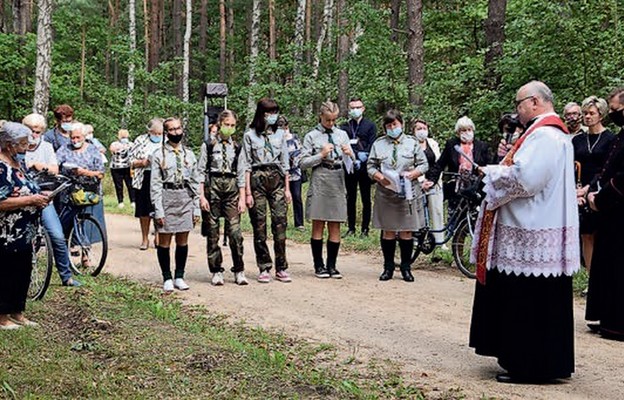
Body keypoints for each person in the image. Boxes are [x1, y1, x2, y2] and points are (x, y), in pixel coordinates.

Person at [469, 81, 580, 383]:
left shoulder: (545, 135)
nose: (517, 110)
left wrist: (490, 173)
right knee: (537, 301)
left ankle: (530, 365)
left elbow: (527, 179)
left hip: (531, 229)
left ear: (534, 102)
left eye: (519, 104)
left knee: (528, 301)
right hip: (537, 224)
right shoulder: (547, 134)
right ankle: (539, 361)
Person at [0, 122, 51, 329]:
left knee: (23, 270)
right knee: (5, 272)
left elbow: (27, 188)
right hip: (6, 233)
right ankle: (2, 317)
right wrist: (30, 201)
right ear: (9, 144)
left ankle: (17, 312)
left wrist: (41, 195)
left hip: (25, 231)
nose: (26, 145)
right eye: (22, 142)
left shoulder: (17, 162)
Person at [368, 109, 428, 282]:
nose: (392, 128)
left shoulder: (412, 143)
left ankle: (406, 268)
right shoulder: (378, 144)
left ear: (401, 124)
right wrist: (378, 177)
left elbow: (424, 164)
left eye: (394, 124)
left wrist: (414, 174)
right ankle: (388, 267)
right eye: (388, 125)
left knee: (406, 232)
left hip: (408, 192)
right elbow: (370, 166)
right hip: (386, 192)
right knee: (388, 231)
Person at [22, 113, 81, 287]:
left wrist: (41, 166)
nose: (34, 135)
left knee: (56, 234)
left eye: (38, 131)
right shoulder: (16, 146)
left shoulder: (46, 147)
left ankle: (66, 276)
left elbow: (55, 169)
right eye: (32, 131)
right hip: (23, 198)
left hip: (44, 196)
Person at [585, 87, 624, 340]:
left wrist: (600, 199)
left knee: (618, 267)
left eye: (615, 110)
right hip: (613, 213)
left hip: (620, 211)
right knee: (607, 264)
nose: (612, 114)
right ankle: (606, 317)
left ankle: (618, 323)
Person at [301, 101, 354, 279]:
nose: (331, 123)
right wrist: (321, 155)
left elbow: (352, 163)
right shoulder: (311, 136)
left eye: (334, 120)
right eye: (328, 120)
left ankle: (332, 265)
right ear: (321, 117)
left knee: (335, 222)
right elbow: (302, 162)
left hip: (338, 178)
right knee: (319, 223)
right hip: (320, 176)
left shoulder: (342, 135)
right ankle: (319, 265)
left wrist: (350, 154)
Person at [242, 98, 292, 283]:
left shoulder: (280, 134)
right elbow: (246, 164)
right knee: (259, 224)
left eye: (275, 112)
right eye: (270, 113)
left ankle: (282, 266)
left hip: (277, 178)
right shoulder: (249, 135)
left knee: (280, 223)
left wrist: (287, 189)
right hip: (257, 179)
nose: (273, 116)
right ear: (262, 114)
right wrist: (247, 192)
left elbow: (285, 162)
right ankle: (264, 266)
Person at [198, 110, 247, 286]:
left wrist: (242, 198)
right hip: (213, 190)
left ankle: (239, 269)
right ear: (219, 124)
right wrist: (201, 196)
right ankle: (216, 270)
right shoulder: (209, 145)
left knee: (235, 233)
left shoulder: (238, 147)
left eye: (233, 125)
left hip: (232, 190)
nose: (229, 128)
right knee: (212, 233)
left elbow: (241, 173)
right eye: (227, 124)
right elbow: (201, 171)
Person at [151, 117, 200, 292]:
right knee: (165, 239)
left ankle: (180, 275)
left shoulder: (189, 154)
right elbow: (155, 185)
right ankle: (167, 277)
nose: (176, 132)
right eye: (171, 130)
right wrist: (158, 210)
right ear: (166, 132)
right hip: (167, 196)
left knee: (182, 239)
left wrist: (197, 208)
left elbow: (195, 182)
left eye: (178, 129)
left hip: (185, 196)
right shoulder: (158, 155)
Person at [572, 96, 615, 269]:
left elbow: (607, 167)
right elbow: (571, 166)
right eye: (585, 113)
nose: (587, 117)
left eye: (591, 113)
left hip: (599, 189)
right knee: (586, 234)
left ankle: (603, 275)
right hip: (578, 190)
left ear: (601, 114)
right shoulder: (577, 140)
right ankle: (590, 276)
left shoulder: (610, 139)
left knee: (601, 234)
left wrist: (589, 188)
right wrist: (576, 190)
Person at [422, 116, 491, 212]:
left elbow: (490, 166)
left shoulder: (482, 146)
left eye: (469, 130)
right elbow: (440, 164)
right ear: (458, 133)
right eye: (463, 130)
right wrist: (432, 180)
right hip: (456, 189)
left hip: (476, 189)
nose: (466, 133)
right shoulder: (452, 145)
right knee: (456, 218)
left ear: (473, 130)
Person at [56, 122, 106, 236]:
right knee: (67, 220)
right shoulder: (64, 149)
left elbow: (101, 173)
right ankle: (70, 243)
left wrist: (85, 172)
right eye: (72, 137)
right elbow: (55, 164)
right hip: (69, 192)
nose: (75, 140)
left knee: (87, 222)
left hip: (89, 191)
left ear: (84, 137)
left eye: (78, 137)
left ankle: (85, 247)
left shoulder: (93, 149)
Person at [340, 97, 377, 237]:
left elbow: (372, 144)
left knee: (366, 198)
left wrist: (364, 156)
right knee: (350, 197)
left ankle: (365, 229)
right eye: (352, 108)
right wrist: (354, 155)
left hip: (364, 166)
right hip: (350, 165)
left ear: (363, 108)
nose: (355, 110)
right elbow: (343, 145)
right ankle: (351, 228)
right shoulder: (345, 127)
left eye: (357, 107)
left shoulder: (370, 125)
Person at [130, 118, 163, 250]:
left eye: (160, 133)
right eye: (155, 133)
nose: (158, 136)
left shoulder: (167, 140)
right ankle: (144, 238)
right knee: (144, 210)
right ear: (149, 131)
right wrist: (141, 163)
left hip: (161, 177)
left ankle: (159, 237)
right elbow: (130, 161)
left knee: (159, 208)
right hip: (144, 177)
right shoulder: (140, 140)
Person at [413, 119, 444, 245]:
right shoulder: (410, 144)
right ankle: (417, 239)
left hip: (433, 182)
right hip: (417, 182)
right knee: (417, 211)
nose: (422, 131)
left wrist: (431, 180)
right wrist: (421, 181)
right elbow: (410, 164)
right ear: (413, 131)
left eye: (424, 128)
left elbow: (439, 163)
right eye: (419, 128)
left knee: (437, 210)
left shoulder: (433, 143)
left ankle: (439, 240)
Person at [281, 116, 305, 231]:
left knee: (297, 197)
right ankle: (282, 222)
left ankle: (299, 223)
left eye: (283, 126)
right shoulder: (276, 139)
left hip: (295, 173)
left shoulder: (294, 138)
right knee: (281, 199)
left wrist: (293, 160)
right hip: (282, 174)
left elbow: (301, 153)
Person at [109, 129, 135, 208]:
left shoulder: (131, 144)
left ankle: (132, 201)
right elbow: (112, 150)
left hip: (127, 167)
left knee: (130, 185)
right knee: (119, 185)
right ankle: (121, 202)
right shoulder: (115, 144)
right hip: (116, 167)